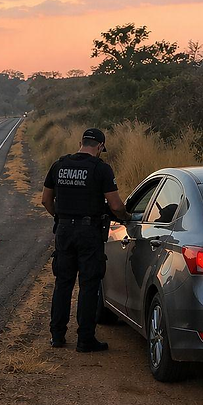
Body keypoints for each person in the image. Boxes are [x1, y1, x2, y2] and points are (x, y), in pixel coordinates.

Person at [42, 128, 127, 352]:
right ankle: (85, 339)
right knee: (89, 285)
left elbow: (46, 200)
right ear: (99, 146)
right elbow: (116, 205)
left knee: (63, 283)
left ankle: (57, 336)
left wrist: (61, 218)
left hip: (63, 231)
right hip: (89, 233)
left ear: (81, 142)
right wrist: (126, 217)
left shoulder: (58, 165)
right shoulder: (101, 169)